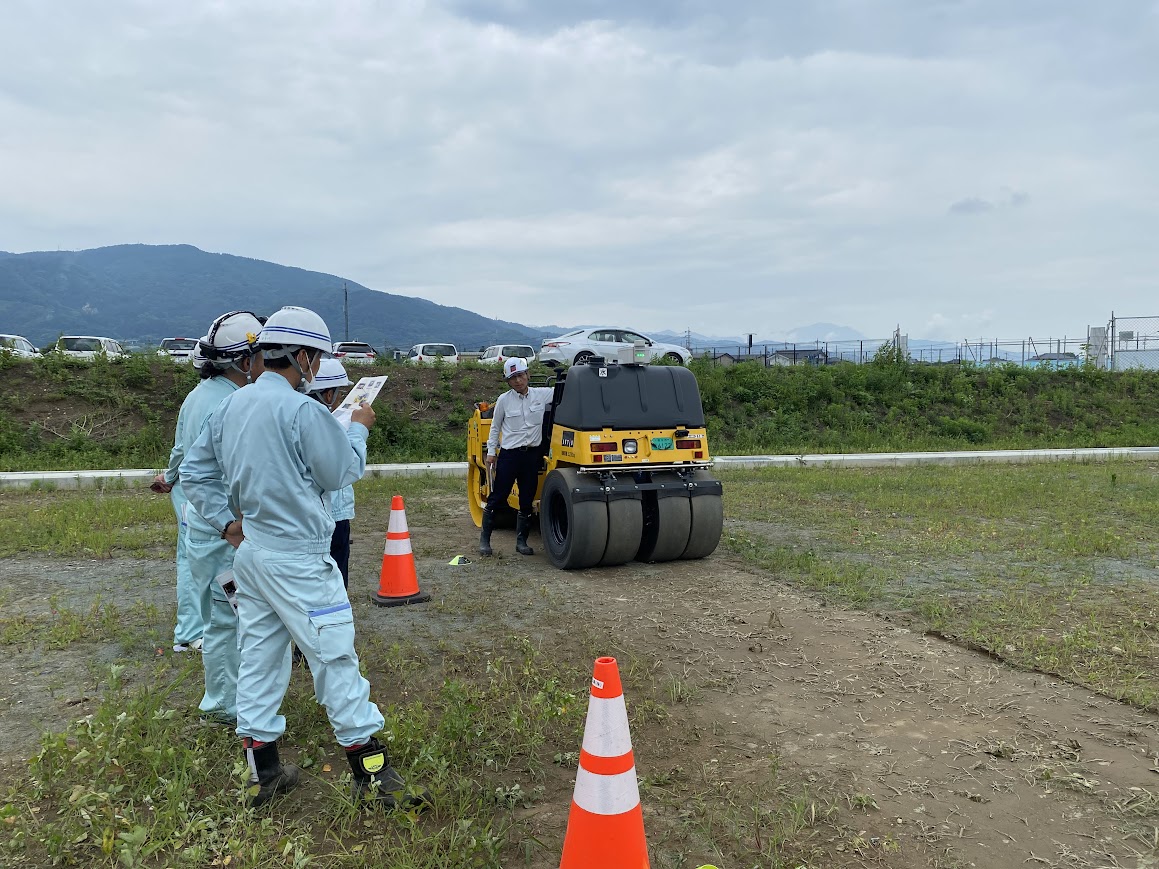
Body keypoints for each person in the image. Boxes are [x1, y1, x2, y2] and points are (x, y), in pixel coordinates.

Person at [182, 306, 427, 811]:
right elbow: (341, 472)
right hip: (299, 559)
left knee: (259, 658)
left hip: (252, 555)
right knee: (334, 657)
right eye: (317, 357)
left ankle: (263, 774)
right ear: (304, 357)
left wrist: (227, 524)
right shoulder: (302, 411)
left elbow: (195, 472)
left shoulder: (230, 407)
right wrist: (358, 426)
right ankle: (374, 775)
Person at [171, 312, 266, 726]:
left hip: (201, 524)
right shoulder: (231, 402)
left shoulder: (199, 394)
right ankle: (225, 704)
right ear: (245, 360)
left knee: (218, 617)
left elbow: (181, 456)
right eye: (264, 355)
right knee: (229, 618)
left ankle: (224, 696)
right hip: (224, 529)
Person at [153, 335, 214, 652]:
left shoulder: (194, 396)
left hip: (185, 493)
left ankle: (188, 631)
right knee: (214, 565)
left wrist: (170, 477)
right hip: (210, 497)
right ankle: (205, 632)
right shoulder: (230, 397)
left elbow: (179, 448)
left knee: (188, 562)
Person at [480, 356, 554, 557]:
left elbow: (565, 391)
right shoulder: (504, 400)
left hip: (532, 455)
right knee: (498, 496)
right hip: (509, 455)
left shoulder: (543, 395)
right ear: (508, 381)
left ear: (528, 375)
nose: (517, 381)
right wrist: (492, 453)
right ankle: (485, 541)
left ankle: (521, 542)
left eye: (520, 375)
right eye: (512, 378)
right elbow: (494, 428)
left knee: (527, 499)